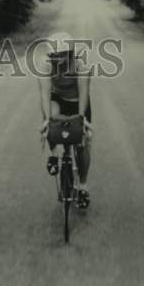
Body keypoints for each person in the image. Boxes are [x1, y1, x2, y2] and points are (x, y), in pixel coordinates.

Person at [38, 30, 93, 207]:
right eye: (54, 56)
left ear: (70, 53)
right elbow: (45, 94)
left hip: (77, 101)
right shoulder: (45, 66)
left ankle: (83, 186)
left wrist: (82, 118)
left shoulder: (81, 65)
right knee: (50, 119)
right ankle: (54, 154)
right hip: (58, 98)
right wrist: (46, 120)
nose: (58, 59)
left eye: (61, 55)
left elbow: (84, 93)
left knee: (83, 143)